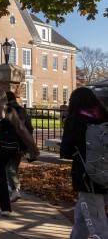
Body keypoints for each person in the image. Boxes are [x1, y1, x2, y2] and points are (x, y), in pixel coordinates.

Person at [0, 87, 39, 216]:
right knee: (0, 171)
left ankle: (5, 207)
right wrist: (33, 148)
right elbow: (22, 130)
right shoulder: (11, 111)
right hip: (10, 148)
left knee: (0, 173)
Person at [60, 87, 108, 238]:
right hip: (105, 172)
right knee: (82, 216)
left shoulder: (76, 120)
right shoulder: (104, 116)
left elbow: (66, 150)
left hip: (88, 176)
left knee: (97, 225)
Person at [5, 91, 34, 202]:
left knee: (8, 166)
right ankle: (12, 187)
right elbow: (29, 128)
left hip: (9, 143)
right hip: (21, 143)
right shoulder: (22, 111)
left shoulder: (7, 111)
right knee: (14, 166)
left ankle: (14, 189)